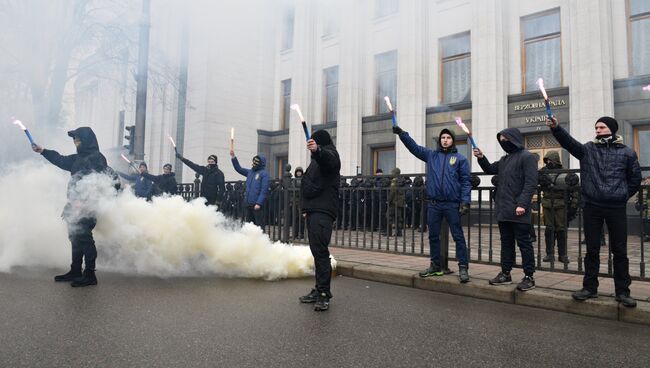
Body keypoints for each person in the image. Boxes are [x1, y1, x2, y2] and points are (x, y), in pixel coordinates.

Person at [546, 116, 641, 307]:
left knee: (620, 250)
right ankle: (590, 288)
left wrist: (622, 195)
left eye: (602, 127)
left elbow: (635, 178)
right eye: (596, 127)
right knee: (592, 249)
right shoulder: (588, 149)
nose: (597, 130)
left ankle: (622, 291)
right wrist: (556, 128)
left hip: (616, 207)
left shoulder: (627, 153)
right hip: (592, 207)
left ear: (612, 129)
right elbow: (569, 143)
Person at [33, 127, 113, 287]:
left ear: (86, 140)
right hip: (74, 205)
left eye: (77, 139)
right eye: (74, 140)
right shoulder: (78, 158)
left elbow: (99, 182)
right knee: (75, 237)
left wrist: (83, 203)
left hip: (88, 206)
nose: (75, 142)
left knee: (84, 238)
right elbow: (60, 160)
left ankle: (90, 275)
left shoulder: (97, 158)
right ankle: (75, 270)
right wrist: (43, 151)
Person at [394, 127, 472, 283]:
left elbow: (465, 182)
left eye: (448, 137)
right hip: (434, 204)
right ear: (440, 140)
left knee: (458, 236)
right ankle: (435, 265)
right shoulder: (431, 155)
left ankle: (463, 267)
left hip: (452, 204)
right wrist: (402, 134)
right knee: (433, 236)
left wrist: (465, 201)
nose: (445, 140)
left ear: (453, 140)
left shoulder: (460, 159)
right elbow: (414, 148)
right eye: (443, 137)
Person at [473, 128, 538, 291]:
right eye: (501, 140)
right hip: (504, 210)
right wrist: (481, 158)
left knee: (524, 244)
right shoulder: (504, 160)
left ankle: (529, 276)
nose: (503, 142)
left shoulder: (527, 157)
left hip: (519, 210)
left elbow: (531, 183)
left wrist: (522, 204)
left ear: (513, 139)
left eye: (505, 139)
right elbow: (489, 169)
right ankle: (505, 273)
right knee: (506, 243)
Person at [298, 130, 341, 311]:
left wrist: (318, 151)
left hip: (323, 212)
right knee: (316, 252)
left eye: (315, 142)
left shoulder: (330, 154)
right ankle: (318, 290)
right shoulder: (316, 161)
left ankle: (324, 294)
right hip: (315, 210)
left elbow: (328, 161)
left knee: (321, 252)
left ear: (320, 142)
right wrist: (308, 209)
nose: (311, 146)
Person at [539, 151, 570, 264]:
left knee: (561, 230)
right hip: (547, 203)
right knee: (549, 230)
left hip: (561, 204)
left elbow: (572, 186)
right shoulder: (542, 172)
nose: (548, 162)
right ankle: (549, 254)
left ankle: (563, 254)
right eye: (547, 160)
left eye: (550, 160)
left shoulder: (564, 172)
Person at [230, 150, 269, 228]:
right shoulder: (250, 172)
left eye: (256, 162)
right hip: (248, 204)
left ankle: (260, 240)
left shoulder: (264, 174)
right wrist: (233, 157)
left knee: (259, 226)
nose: (254, 164)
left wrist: (258, 203)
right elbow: (239, 169)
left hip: (257, 205)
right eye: (254, 162)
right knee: (249, 226)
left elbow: (264, 190)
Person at [387, 168, 406, 237]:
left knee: (388, 216)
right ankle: (399, 233)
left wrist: (389, 200)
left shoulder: (394, 180)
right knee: (398, 217)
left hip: (394, 201)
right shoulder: (402, 180)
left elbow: (392, 191)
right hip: (400, 202)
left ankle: (389, 233)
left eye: (392, 172)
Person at [638, 177, 650, 242]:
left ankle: (647, 235)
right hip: (644, 209)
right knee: (644, 221)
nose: (647, 182)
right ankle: (645, 234)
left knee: (648, 221)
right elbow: (638, 197)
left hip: (648, 209)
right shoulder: (643, 189)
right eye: (646, 181)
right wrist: (638, 204)